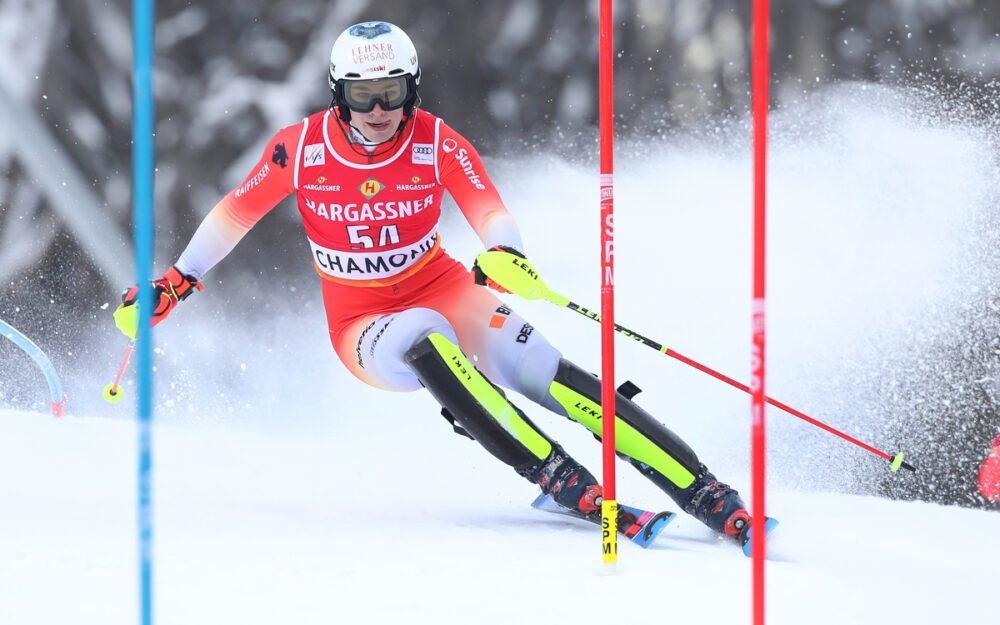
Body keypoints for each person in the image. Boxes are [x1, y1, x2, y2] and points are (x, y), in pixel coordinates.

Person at [117, 21, 756, 544]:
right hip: (361, 325)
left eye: (392, 93)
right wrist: (176, 282)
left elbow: (487, 207)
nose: (377, 112)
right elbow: (235, 214)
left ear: (412, 89)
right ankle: (562, 480)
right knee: (424, 334)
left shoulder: (434, 141)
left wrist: (506, 253)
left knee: (540, 364)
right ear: (337, 93)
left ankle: (704, 490)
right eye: (362, 95)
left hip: (443, 285)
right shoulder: (300, 148)